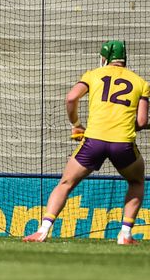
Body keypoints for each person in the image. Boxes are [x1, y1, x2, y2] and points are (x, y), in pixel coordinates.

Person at [24, 40, 149, 245]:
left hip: (93, 141)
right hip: (123, 144)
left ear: (104, 57)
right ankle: (125, 234)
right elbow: (142, 122)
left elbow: (71, 98)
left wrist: (76, 124)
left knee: (65, 184)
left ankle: (43, 230)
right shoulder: (141, 82)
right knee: (136, 182)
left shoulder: (92, 75)